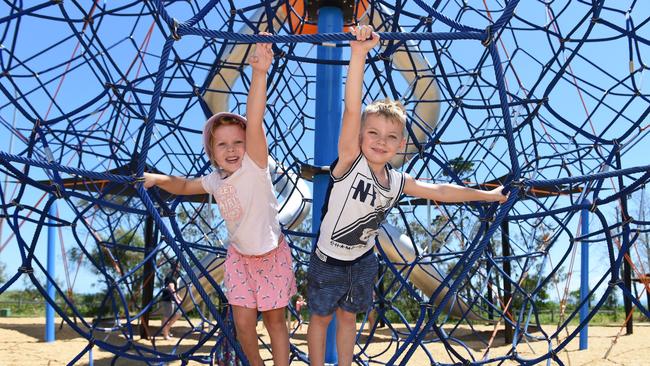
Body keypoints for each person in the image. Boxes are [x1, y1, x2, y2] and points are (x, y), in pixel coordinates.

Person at [306, 25, 509, 366]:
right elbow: (352, 109)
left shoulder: (398, 180)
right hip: (329, 259)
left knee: (347, 317)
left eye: (390, 136)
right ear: (359, 136)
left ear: (401, 144)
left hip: (363, 260)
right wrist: (358, 54)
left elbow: (439, 190)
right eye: (372, 133)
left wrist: (485, 195)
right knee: (322, 317)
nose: (380, 141)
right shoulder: (350, 161)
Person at [144, 34, 296, 366]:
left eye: (237, 142)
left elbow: (254, 120)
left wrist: (259, 73)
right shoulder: (215, 179)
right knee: (242, 324)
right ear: (212, 152)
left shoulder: (255, 166)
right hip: (239, 258)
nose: (231, 149)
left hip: (271, 256)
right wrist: (157, 179)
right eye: (222, 144)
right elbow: (184, 186)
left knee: (274, 322)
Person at [160, 260, 181, 340]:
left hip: (171, 299)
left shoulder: (175, 277)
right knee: (166, 316)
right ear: (175, 267)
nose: (179, 268)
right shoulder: (170, 276)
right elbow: (171, 288)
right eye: (178, 267)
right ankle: (165, 334)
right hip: (167, 299)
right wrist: (176, 299)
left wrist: (179, 297)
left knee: (178, 314)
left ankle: (166, 329)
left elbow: (175, 290)